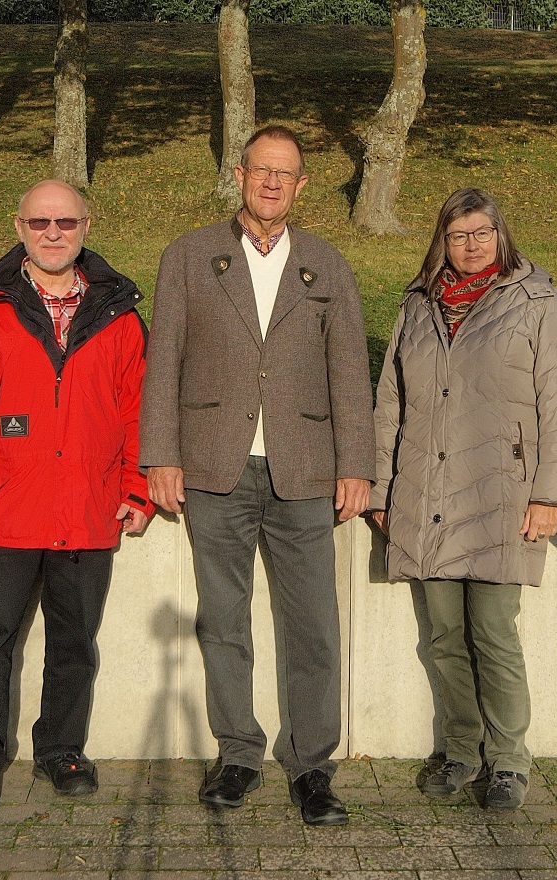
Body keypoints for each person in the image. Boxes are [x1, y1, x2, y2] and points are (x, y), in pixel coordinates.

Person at [140, 125, 375, 826]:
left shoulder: (327, 265)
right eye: (261, 171)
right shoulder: (189, 256)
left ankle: (311, 767)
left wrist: (356, 466)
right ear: (239, 175)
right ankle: (238, 754)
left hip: (306, 470)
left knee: (312, 626)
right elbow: (165, 361)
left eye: (286, 174)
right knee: (224, 619)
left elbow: (349, 373)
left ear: (302, 187)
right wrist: (161, 454)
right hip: (214, 462)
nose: (272, 183)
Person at [0, 180, 154, 822]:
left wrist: (137, 489)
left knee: (75, 640)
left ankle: (61, 750)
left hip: (88, 509)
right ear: (19, 226)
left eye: (67, 221)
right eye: (40, 221)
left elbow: (140, 413)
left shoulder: (120, 316)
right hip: (1, 512)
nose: (54, 233)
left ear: (86, 225)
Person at [369, 188, 557, 810]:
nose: (470, 245)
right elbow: (391, 404)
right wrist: (382, 487)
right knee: (443, 636)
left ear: (501, 235)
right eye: (458, 235)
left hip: (503, 493)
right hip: (425, 493)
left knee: (492, 633)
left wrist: (550, 495)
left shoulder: (538, 302)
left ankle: (510, 763)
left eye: (481, 234)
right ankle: (462, 750)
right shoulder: (417, 307)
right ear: (442, 240)